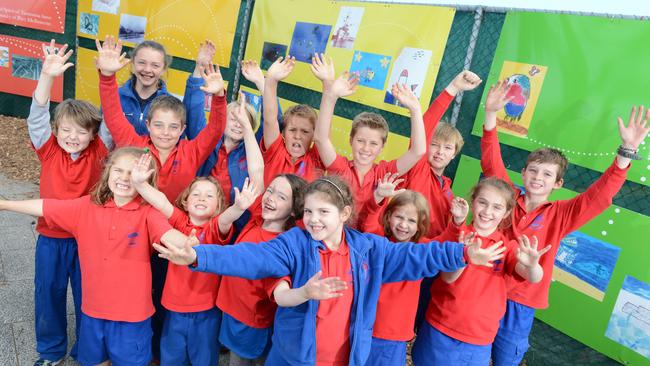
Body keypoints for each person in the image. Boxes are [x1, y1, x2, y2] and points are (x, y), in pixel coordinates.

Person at [153, 175, 506, 366]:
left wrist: (462, 252)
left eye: (323, 212)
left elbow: (419, 256)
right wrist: (200, 256)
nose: (313, 220)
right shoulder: (295, 242)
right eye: (308, 212)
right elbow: (250, 257)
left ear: (345, 212)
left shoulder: (369, 248)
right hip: (293, 357)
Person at [480, 81, 650, 366]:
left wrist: (626, 152)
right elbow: (491, 163)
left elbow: (600, 195)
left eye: (547, 175)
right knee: (473, 347)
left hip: (521, 303)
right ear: (522, 173)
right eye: (533, 170)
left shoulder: (562, 213)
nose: (537, 178)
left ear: (558, 184)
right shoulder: (506, 196)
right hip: (486, 286)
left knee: (505, 358)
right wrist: (489, 116)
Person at [0, 147, 196, 366]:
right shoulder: (86, 206)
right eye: (118, 170)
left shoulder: (149, 213)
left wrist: (189, 247)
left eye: (132, 174)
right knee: (95, 360)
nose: (124, 178)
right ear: (108, 172)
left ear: (145, 181)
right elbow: (46, 207)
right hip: (92, 311)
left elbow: (169, 235)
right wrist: (5, 204)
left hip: (132, 316)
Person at [130, 151, 259, 366]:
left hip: (206, 311)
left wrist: (238, 207)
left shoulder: (214, 228)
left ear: (218, 206)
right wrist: (141, 185)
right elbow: (161, 202)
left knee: (204, 358)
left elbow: (226, 219)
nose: (201, 198)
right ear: (186, 201)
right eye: (196, 194)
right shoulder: (179, 222)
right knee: (171, 357)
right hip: (173, 308)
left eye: (209, 196)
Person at [27, 40, 111, 366]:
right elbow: (36, 116)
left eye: (80, 132)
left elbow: (110, 120)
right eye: (66, 130)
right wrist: (47, 77)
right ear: (56, 130)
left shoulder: (98, 151)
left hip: (87, 238)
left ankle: (85, 351)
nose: (72, 137)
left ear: (93, 135)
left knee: (88, 297)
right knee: (47, 294)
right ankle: (51, 351)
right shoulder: (48, 150)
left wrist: (106, 75)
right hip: (51, 237)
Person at [412, 177, 550, 365]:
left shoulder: (506, 247)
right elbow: (448, 278)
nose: (487, 212)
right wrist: (464, 254)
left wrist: (533, 265)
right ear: (473, 202)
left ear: (507, 212)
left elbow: (533, 277)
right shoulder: (457, 236)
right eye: (482, 203)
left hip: (477, 341)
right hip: (439, 329)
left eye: (496, 207)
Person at [95, 35, 225, 201]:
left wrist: (219, 97)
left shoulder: (191, 152)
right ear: (148, 125)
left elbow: (215, 130)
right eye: (158, 125)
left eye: (173, 127)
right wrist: (107, 76)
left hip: (174, 221)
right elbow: (113, 116)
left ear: (182, 129)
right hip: (136, 217)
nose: (165, 132)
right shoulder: (136, 146)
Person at [360, 173, 469, 366]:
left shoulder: (421, 248)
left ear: (420, 224)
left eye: (411, 221)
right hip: (366, 327)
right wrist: (377, 198)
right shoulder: (380, 242)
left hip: (394, 334)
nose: (403, 225)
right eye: (399, 217)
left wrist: (457, 223)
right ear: (388, 216)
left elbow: (443, 244)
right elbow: (368, 225)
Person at [311, 54, 428, 224]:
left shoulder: (384, 173)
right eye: (361, 141)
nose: (366, 148)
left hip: (368, 240)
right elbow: (321, 139)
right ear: (351, 140)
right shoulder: (341, 168)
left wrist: (415, 110)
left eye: (373, 143)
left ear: (382, 147)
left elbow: (418, 151)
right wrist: (331, 96)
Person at [216, 173, 307, 366]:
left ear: (293, 210)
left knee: (242, 360)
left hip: (251, 319)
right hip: (232, 308)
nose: (270, 198)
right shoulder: (257, 218)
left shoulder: (280, 245)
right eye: (270, 191)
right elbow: (257, 169)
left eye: (281, 197)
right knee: (235, 352)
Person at [196, 61, 271, 234]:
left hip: (236, 224)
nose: (238, 124)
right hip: (200, 217)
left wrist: (261, 83)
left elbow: (272, 120)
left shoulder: (253, 149)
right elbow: (194, 115)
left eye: (244, 121)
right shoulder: (208, 142)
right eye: (233, 118)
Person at [100, 39, 214, 144]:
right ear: (133, 64)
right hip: (119, 164)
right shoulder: (115, 97)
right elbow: (103, 138)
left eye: (155, 65)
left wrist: (199, 69)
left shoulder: (171, 106)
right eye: (142, 63)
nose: (147, 69)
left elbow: (194, 133)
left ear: (164, 69)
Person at [261, 56, 324, 184]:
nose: (297, 136)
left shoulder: (317, 159)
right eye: (292, 130)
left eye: (305, 132)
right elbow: (269, 119)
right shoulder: (276, 152)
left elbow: (323, 134)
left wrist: (328, 87)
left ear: (314, 136)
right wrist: (271, 81)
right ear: (283, 132)